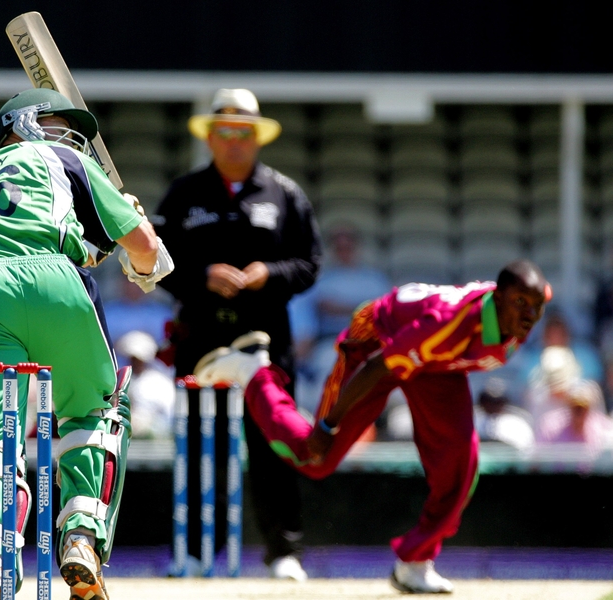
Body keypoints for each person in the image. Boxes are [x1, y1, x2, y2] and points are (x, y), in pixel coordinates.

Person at [0, 88, 172, 600]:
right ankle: (82, 536)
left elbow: (35, 238)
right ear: (20, 124)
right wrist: (136, 235)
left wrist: (101, 239)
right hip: (57, 287)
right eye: (56, 124)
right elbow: (145, 254)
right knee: (94, 411)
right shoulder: (65, 160)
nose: (69, 137)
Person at [193, 259, 549, 594]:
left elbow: (485, 327)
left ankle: (415, 562)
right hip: (378, 340)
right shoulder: (446, 325)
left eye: (536, 305)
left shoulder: (518, 313)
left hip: (435, 362)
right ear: (498, 298)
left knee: (461, 465)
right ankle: (254, 372)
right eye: (520, 303)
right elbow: (379, 366)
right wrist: (328, 426)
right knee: (315, 456)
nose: (530, 315)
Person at [154, 88, 322, 580]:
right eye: (224, 131)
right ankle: (193, 553)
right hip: (199, 338)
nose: (234, 141)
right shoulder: (183, 193)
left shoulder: (285, 193)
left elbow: (310, 264)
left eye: (243, 132)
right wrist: (202, 276)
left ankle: (284, 552)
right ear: (209, 136)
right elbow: (154, 262)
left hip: (267, 342)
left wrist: (270, 273)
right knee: (197, 445)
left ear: (258, 137)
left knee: (274, 445)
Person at [290, 220, 392, 412]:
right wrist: (362, 308)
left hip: (370, 342)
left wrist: (340, 307)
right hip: (332, 342)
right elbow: (315, 314)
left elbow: (383, 313)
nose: (344, 251)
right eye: (339, 247)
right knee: (328, 372)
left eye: (348, 246)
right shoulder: (322, 280)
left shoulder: (375, 279)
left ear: (356, 247)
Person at [114, 330, 174, 440]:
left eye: (138, 359)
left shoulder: (160, 382)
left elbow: (169, 416)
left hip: (155, 439)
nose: (135, 362)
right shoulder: (122, 379)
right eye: (132, 358)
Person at [536, 379, 613, 452]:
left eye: (583, 408)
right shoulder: (551, 427)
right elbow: (540, 456)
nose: (579, 412)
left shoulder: (603, 429)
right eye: (575, 407)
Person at [473, 377, 535, 450]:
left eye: (497, 402)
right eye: (487, 401)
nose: (492, 405)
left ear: (504, 402)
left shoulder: (517, 424)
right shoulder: (473, 421)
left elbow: (525, 449)